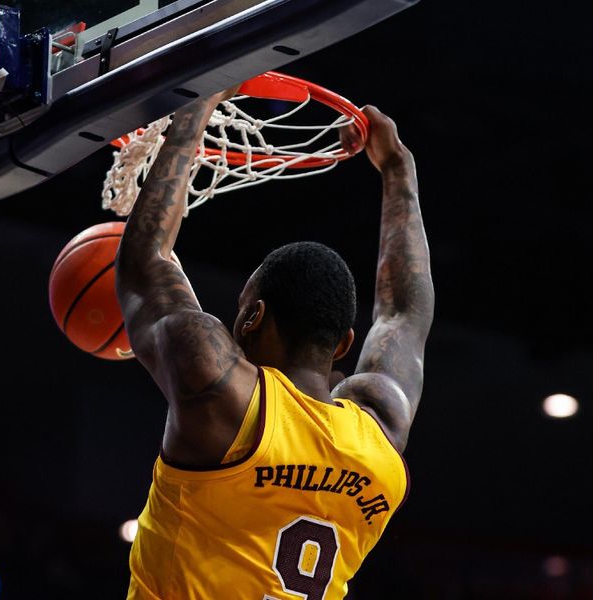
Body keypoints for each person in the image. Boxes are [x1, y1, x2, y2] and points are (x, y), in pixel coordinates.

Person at [114, 81, 434, 599]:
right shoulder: (379, 432)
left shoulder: (223, 395)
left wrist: (197, 104)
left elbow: (145, 264)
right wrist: (401, 173)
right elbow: (403, 315)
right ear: (343, 343)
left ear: (252, 318)